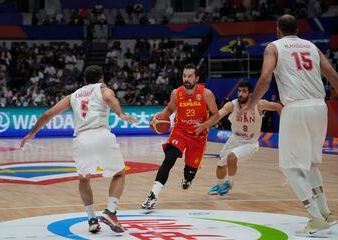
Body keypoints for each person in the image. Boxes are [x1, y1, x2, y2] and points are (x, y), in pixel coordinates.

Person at [239, 14, 338, 237]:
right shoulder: (311, 46)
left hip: (296, 108)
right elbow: (335, 78)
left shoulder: (274, 47)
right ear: (298, 29)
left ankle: (315, 216)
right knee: (309, 163)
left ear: (278, 30)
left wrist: (251, 105)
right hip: (320, 107)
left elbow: (264, 79)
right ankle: (326, 213)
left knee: (289, 166)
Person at [20, 65, 137, 234]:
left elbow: (48, 114)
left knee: (84, 179)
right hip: (101, 134)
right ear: (101, 78)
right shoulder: (102, 87)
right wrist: (121, 114)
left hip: (82, 140)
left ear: (84, 80)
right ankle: (110, 211)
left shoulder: (73, 96)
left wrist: (31, 133)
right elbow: (109, 97)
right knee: (119, 174)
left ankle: (91, 219)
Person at [141, 63, 219, 209]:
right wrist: (158, 119)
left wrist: (204, 125)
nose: (186, 79)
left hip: (198, 136)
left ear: (197, 78)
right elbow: (170, 109)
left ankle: (187, 178)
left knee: (189, 172)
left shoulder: (206, 94)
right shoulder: (176, 93)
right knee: (168, 160)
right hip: (180, 132)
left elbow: (216, 115)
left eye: (190, 76)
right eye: (184, 76)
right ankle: (152, 196)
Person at [207, 81, 282, 196]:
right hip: (234, 140)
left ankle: (230, 183)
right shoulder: (232, 105)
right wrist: (205, 124)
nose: (241, 94)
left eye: (244, 91)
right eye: (239, 91)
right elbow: (218, 115)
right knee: (220, 165)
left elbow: (277, 106)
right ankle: (219, 185)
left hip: (250, 143)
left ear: (251, 94)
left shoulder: (259, 104)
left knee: (231, 157)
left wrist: (285, 123)